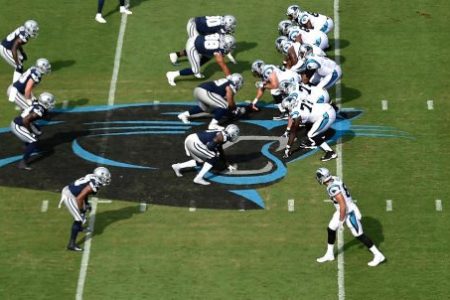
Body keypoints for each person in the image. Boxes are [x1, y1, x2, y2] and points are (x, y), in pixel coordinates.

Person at [315, 167, 386, 267]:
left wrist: (341, 221)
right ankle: (329, 254)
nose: (317, 178)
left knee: (359, 235)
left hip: (348, 212)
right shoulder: (335, 178)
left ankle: (378, 255)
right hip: (343, 209)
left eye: (319, 176)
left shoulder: (332, 188)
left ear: (323, 177)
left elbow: (343, 205)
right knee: (331, 228)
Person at [281, 80, 337, 161]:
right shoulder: (298, 102)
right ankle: (319, 136)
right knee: (309, 127)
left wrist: (288, 148)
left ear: (290, 106)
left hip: (327, 115)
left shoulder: (296, 114)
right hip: (326, 108)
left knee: (311, 134)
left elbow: (294, 132)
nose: (286, 110)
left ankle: (330, 152)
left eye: (286, 108)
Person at [59, 167, 111, 251]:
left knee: (83, 210)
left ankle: (79, 228)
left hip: (73, 192)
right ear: (99, 176)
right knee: (78, 219)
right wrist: (81, 211)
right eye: (105, 176)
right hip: (69, 195)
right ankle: (71, 244)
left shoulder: (94, 179)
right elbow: (79, 198)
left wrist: (86, 204)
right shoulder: (93, 185)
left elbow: (84, 192)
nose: (107, 178)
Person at [171, 124, 240, 185]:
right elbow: (210, 146)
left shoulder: (223, 134)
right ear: (232, 134)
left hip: (191, 139)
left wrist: (226, 163)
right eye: (235, 134)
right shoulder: (222, 137)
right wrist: (215, 152)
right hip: (195, 142)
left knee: (203, 160)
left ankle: (178, 166)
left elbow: (219, 148)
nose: (235, 136)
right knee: (213, 157)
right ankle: (198, 178)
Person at [177, 73, 244, 130]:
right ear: (237, 82)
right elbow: (230, 101)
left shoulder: (226, 82)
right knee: (224, 105)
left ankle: (184, 115)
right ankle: (213, 124)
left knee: (206, 108)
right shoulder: (230, 86)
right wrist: (235, 109)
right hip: (205, 91)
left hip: (198, 90)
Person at [166, 33, 236, 86]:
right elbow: (222, 65)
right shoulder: (218, 50)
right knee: (195, 70)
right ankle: (172, 74)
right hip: (193, 47)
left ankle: (196, 64)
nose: (230, 48)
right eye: (230, 47)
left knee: (209, 55)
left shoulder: (220, 36)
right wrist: (229, 77)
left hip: (197, 39)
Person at [10, 92, 56, 170]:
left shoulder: (39, 105)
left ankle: (27, 146)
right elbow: (26, 120)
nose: (51, 104)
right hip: (18, 125)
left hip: (23, 122)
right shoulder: (39, 110)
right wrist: (30, 131)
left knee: (38, 131)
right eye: (50, 102)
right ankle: (23, 163)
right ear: (45, 102)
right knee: (34, 141)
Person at [169, 15, 237, 65]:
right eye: (231, 25)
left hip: (199, 26)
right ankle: (176, 55)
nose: (232, 27)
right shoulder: (222, 28)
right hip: (193, 26)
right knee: (196, 46)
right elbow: (223, 42)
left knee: (201, 46)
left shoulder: (222, 19)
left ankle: (177, 55)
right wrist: (229, 55)